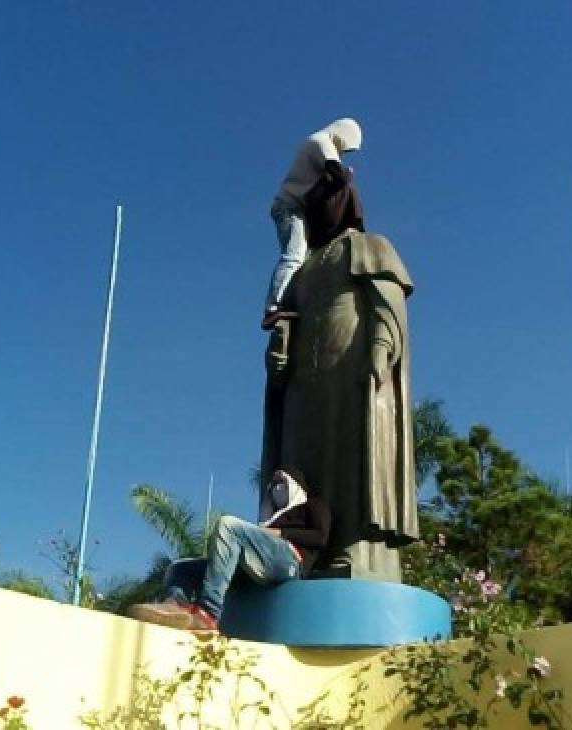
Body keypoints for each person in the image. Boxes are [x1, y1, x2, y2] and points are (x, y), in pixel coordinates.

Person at [260, 173, 418, 582]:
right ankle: (299, 551)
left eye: (330, 198)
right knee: (300, 463)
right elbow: (284, 320)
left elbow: (389, 302)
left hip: (350, 370)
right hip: (304, 384)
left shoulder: (371, 247)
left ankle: (350, 547)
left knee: (351, 456)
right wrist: (279, 356)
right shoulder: (302, 269)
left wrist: (382, 349)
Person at [128, 468, 331, 633]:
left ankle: (208, 613)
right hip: (257, 567)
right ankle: (176, 606)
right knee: (181, 567)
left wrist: (278, 533)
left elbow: (320, 537)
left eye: (282, 482)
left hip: (290, 561)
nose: (277, 488)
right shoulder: (271, 518)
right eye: (274, 484)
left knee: (228, 525)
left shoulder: (313, 505)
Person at [262, 118, 363, 330]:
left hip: (301, 210)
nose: (344, 152)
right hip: (289, 208)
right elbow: (336, 175)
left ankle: (293, 302)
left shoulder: (320, 143)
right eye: (347, 147)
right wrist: (347, 174)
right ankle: (273, 307)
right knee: (294, 254)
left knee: (306, 261)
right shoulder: (321, 141)